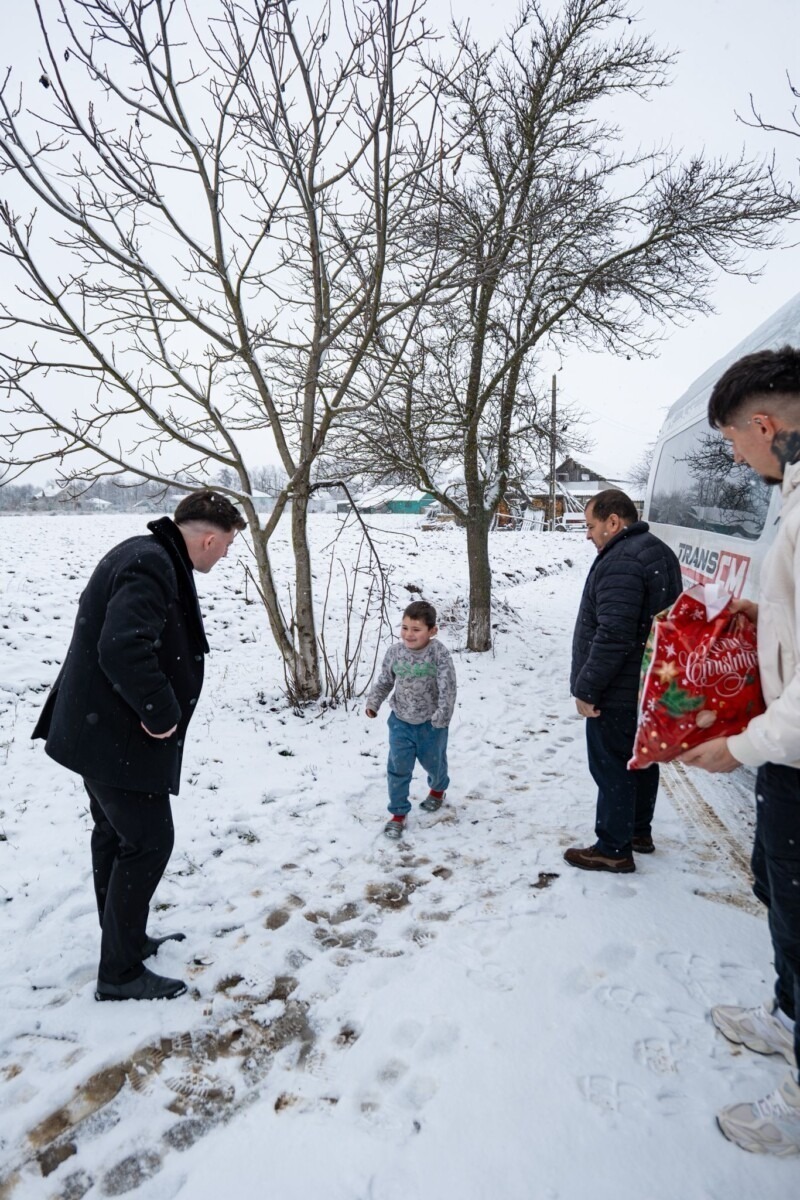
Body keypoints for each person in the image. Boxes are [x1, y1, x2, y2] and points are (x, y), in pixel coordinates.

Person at [33, 489, 246, 1002]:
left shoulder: (146, 551)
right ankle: (120, 974)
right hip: (115, 738)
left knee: (114, 834)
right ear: (210, 539)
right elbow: (123, 646)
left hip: (97, 733)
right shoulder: (153, 563)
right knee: (149, 843)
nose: (226, 555)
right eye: (228, 545)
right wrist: (161, 713)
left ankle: (123, 942)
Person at [679, 346, 800, 1156]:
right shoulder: (792, 499)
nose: (733, 457)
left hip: (792, 752)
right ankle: (788, 1017)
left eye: (730, 440)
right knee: (781, 899)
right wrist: (757, 618)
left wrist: (742, 745)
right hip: (790, 765)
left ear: (762, 424)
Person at [565, 488, 682, 873]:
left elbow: (614, 634)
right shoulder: (657, 551)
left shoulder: (621, 561)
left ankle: (613, 848)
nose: (587, 534)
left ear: (613, 522)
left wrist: (587, 687)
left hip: (619, 689)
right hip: (648, 684)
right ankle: (637, 832)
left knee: (613, 766)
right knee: (641, 758)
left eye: (591, 525)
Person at [366, 601, 456, 840]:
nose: (408, 634)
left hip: (431, 724)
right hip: (400, 722)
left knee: (434, 764)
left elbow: (447, 688)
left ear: (432, 631)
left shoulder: (438, 654)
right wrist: (374, 702)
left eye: (416, 629)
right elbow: (385, 680)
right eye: (405, 627)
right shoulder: (395, 653)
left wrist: (442, 716)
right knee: (398, 768)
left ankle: (438, 789)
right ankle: (398, 813)